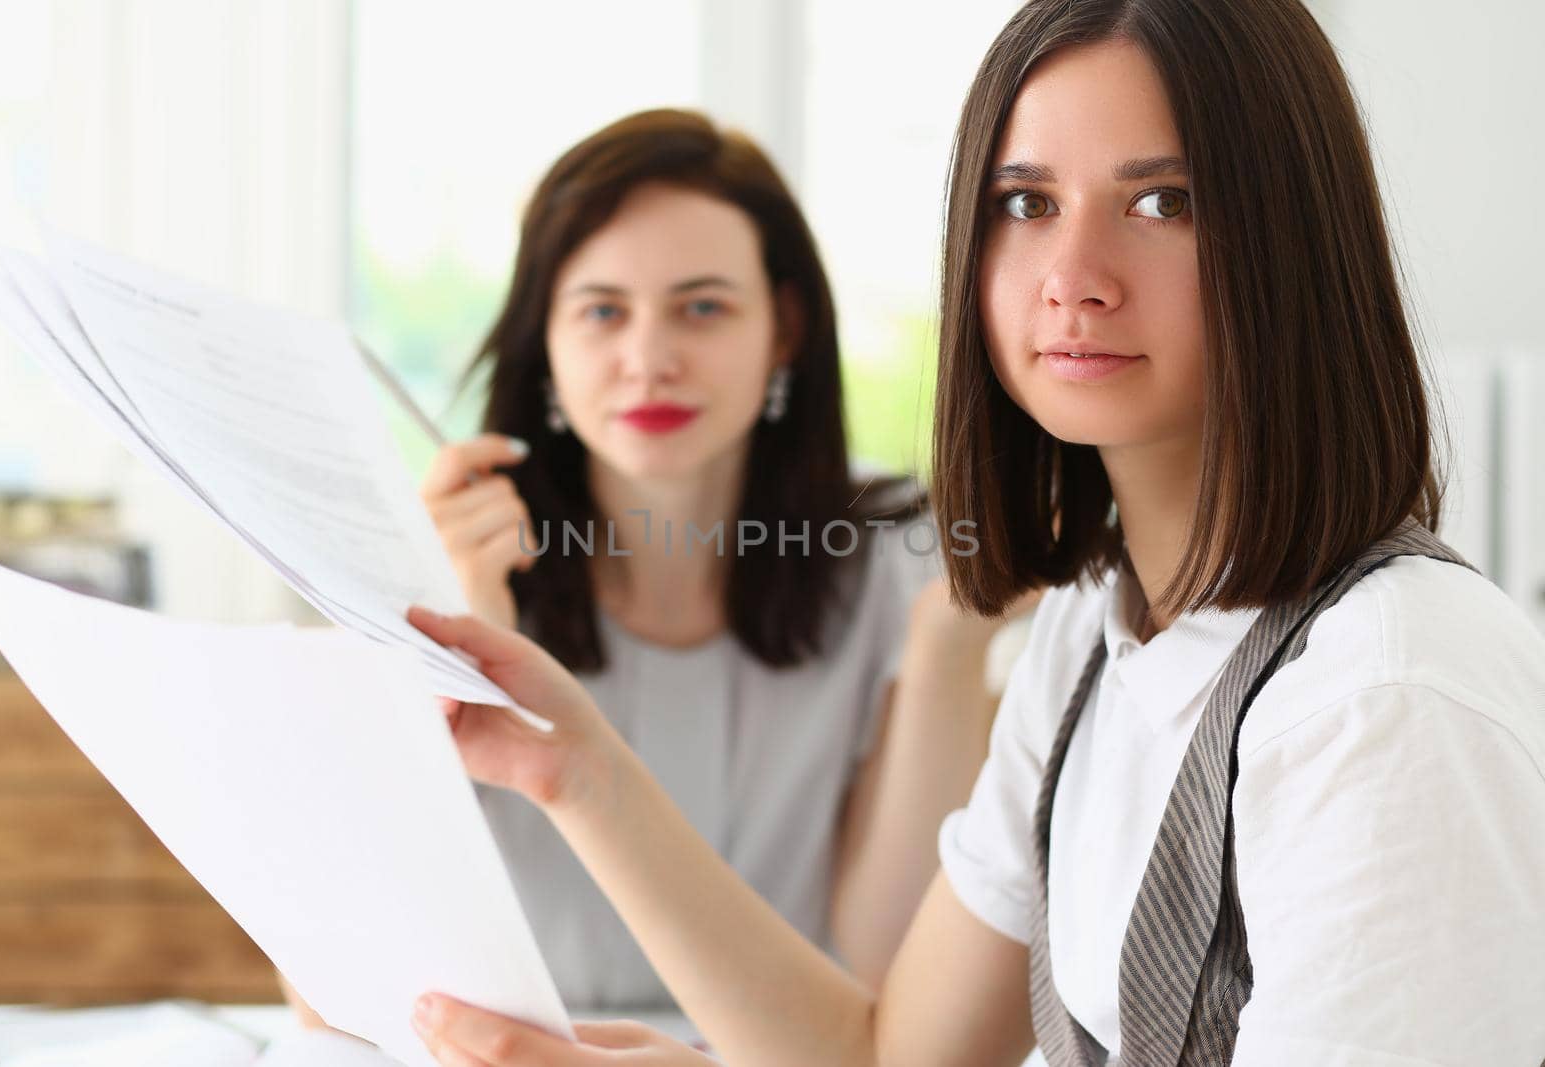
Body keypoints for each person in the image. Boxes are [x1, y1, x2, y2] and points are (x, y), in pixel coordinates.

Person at [401, 1, 1545, 1065]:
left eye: (1164, 201)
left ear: (1293, 244)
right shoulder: (1096, 631)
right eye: (1025, 203)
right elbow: (894, 1051)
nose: (1071, 279)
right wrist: (578, 766)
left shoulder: (1382, 691)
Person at [280, 109, 1021, 1024]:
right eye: (601, 312)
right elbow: (325, 993)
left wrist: (948, 643)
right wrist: (450, 628)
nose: (649, 360)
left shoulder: (888, 558)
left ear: (783, 330)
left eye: (702, 307)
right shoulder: (441, 547)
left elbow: (898, 976)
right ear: (544, 343)